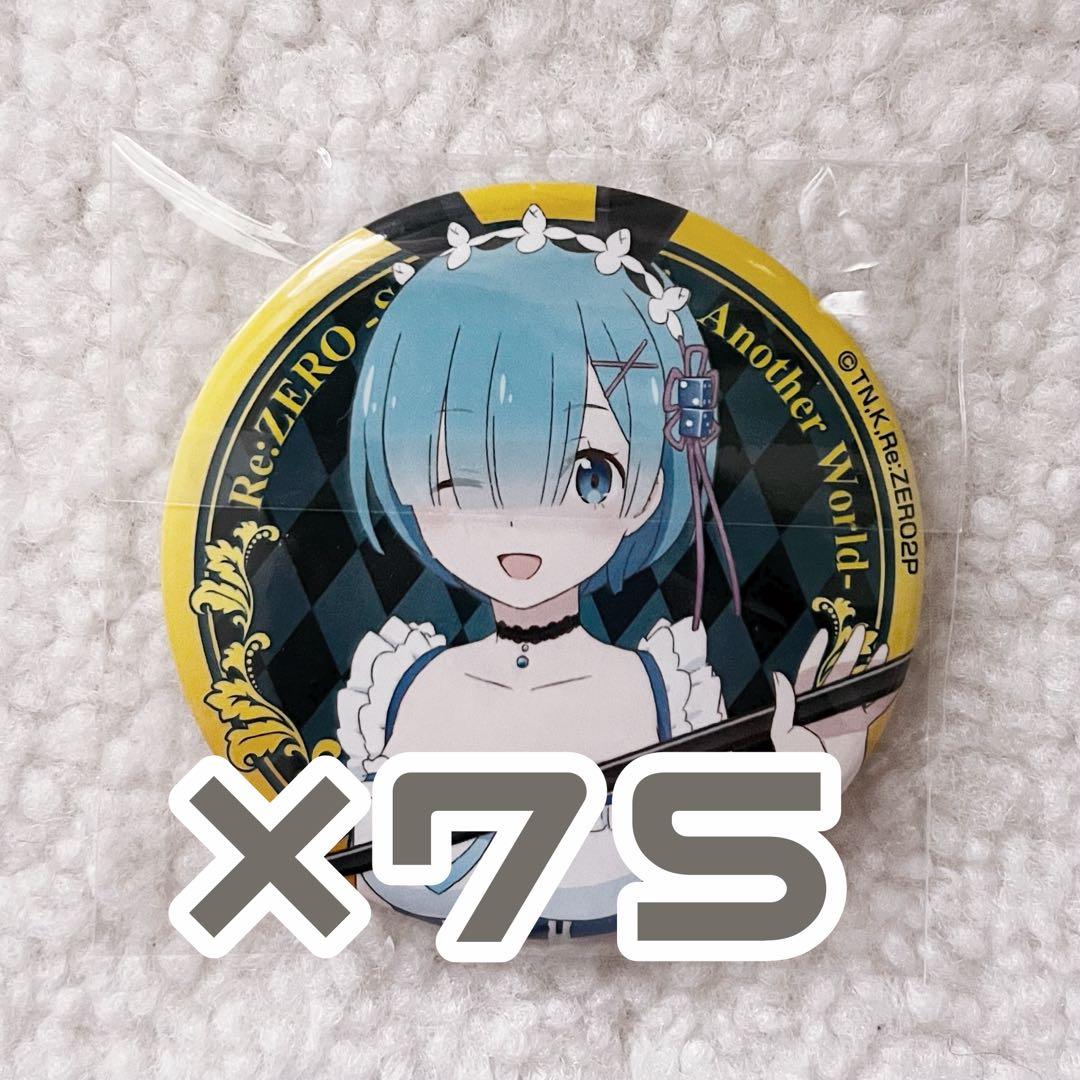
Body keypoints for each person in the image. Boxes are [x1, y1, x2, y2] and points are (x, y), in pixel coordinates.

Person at [336, 206, 893, 937]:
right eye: (461, 478)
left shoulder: (661, 694)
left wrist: (807, 776)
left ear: (650, 490)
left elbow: (699, 857)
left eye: (588, 475)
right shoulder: (402, 690)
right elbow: (357, 864)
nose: (519, 522)